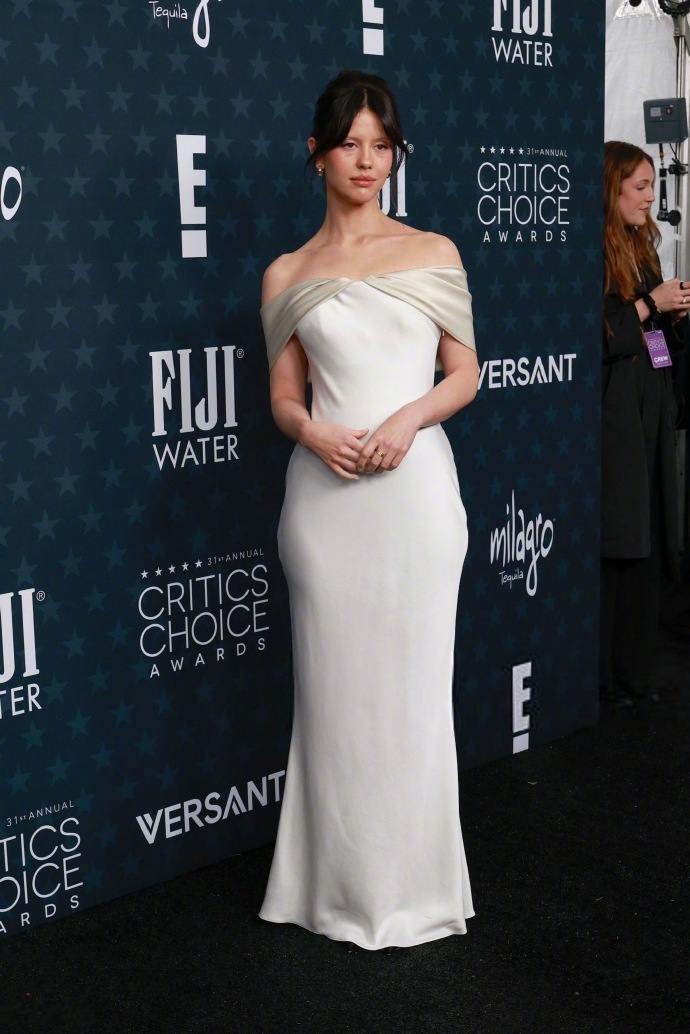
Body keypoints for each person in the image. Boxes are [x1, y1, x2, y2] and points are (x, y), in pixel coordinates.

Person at [259, 70, 479, 950]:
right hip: (325, 509)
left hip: (416, 502)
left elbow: (464, 375)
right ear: (316, 153)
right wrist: (313, 432)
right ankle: (327, 891)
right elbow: (284, 399)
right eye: (350, 143)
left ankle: (414, 891)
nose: (366, 161)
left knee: (413, 699)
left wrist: (406, 420)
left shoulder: (434, 250)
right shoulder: (286, 273)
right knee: (334, 703)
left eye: (382, 145)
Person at [601, 140, 689, 705]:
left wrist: (669, 324)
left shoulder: (642, 249)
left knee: (651, 532)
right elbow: (600, 334)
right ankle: (606, 678)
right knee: (621, 535)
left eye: (653, 186)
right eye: (640, 187)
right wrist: (653, 305)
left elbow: (650, 337)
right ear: (611, 189)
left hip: (650, 404)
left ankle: (635, 672)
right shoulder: (590, 252)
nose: (650, 197)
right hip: (616, 412)